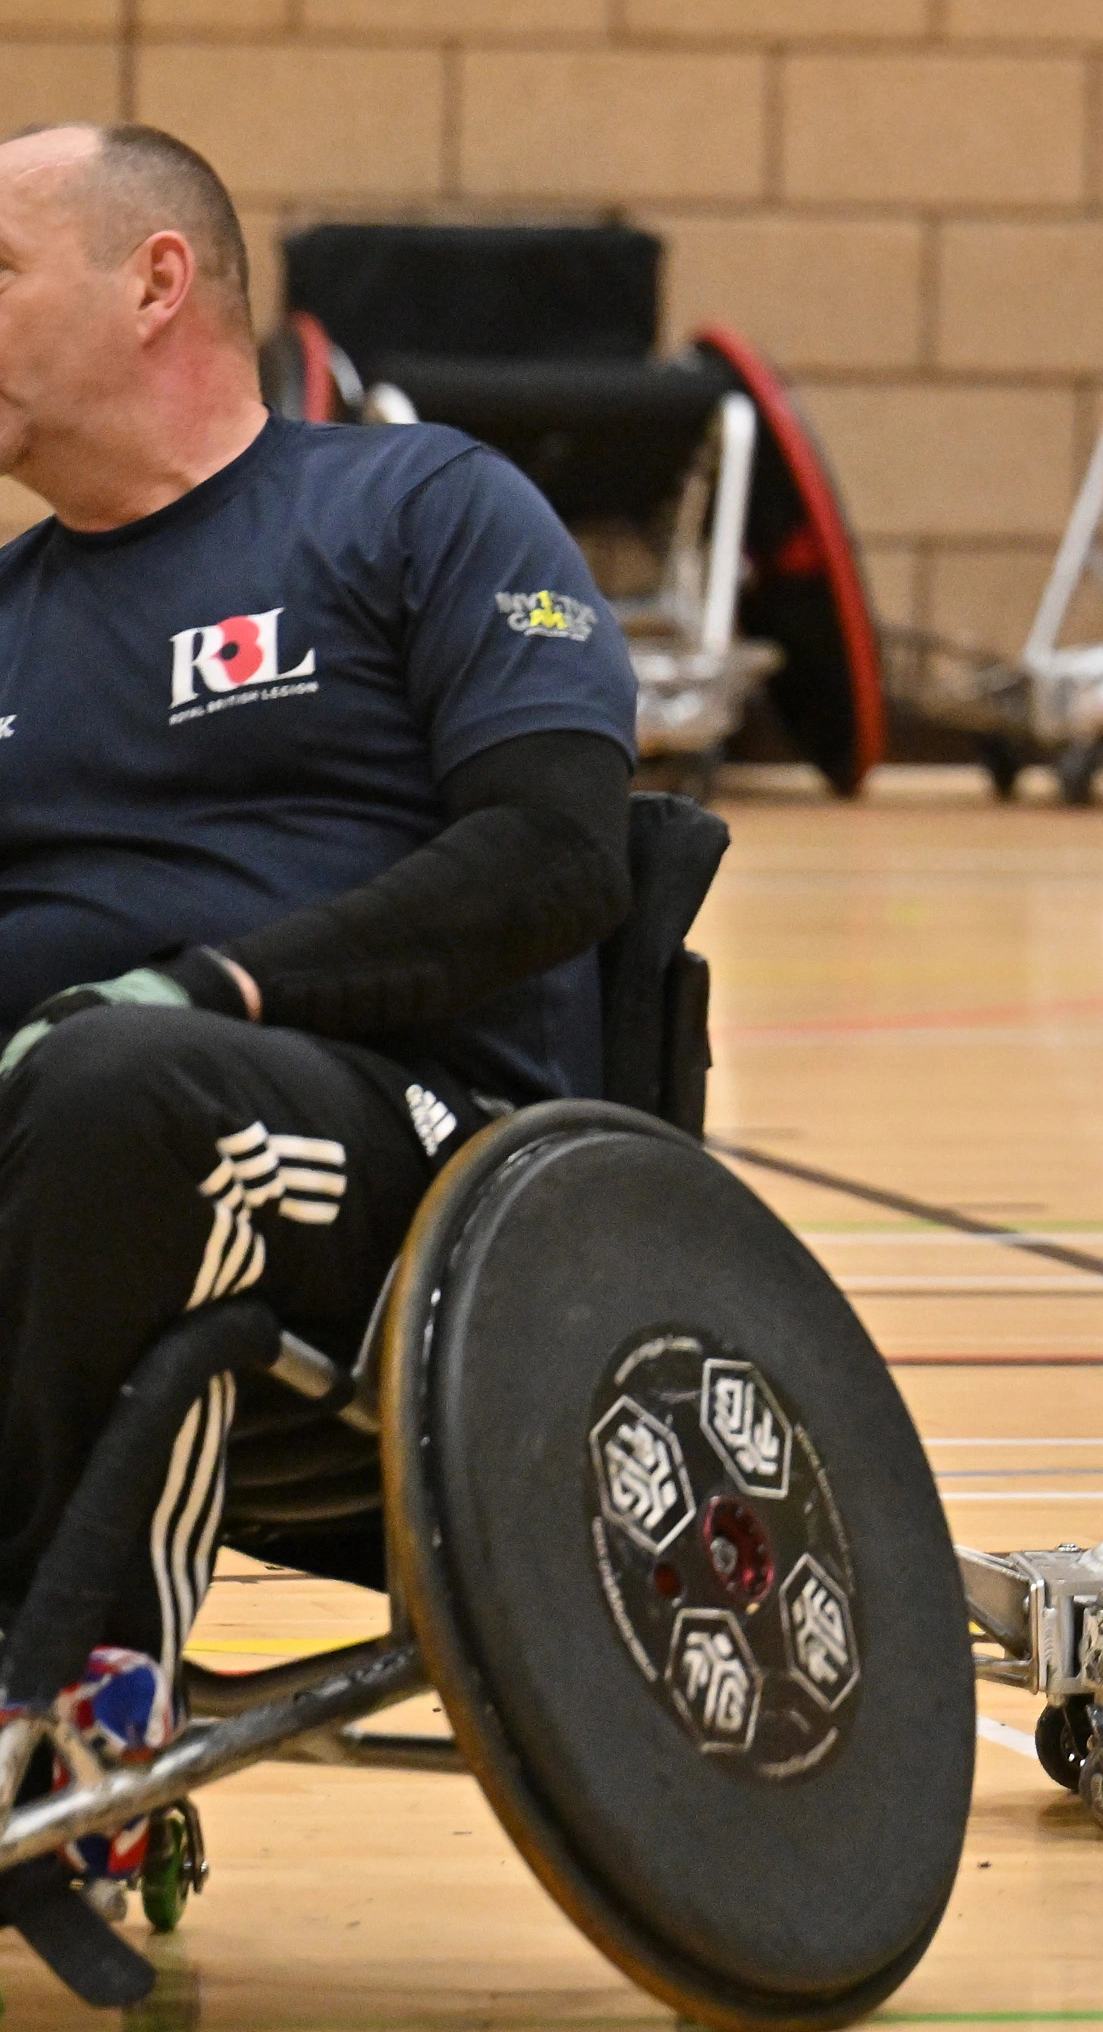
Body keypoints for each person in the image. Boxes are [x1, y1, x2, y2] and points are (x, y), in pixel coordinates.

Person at [0, 124, 639, 1858]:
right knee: (86, 1092)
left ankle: (65, 1723)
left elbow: (559, 851)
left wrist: (212, 985)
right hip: (63, 1134)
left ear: (155, 282)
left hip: (421, 1156)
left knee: (124, 1089)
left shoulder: (414, 507)